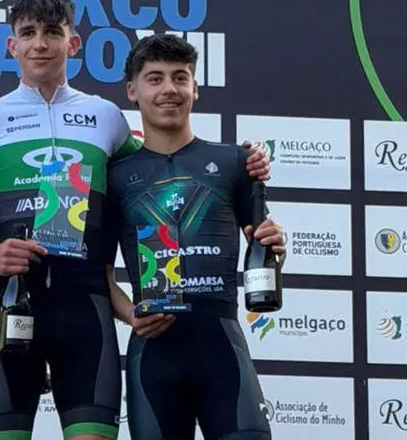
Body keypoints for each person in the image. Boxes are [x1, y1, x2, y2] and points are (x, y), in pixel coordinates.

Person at [0, 0, 273, 440]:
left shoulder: (106, 118)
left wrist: (245, 162)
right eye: (28, 33)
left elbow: (157, 175)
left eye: (52, 32)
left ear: (73, 43)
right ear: (12, 45)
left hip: (86, 314)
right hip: (9, 308)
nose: (40, 43)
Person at [104, 33, 288, 440]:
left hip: (222, 345)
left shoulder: (237, 163)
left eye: (180, 77)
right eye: (155, 79)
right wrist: (130, 314)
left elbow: (264, 250)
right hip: (153, 353)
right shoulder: (113, 176)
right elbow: (100, 275)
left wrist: (277, 245)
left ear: (195, 88)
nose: (169, 89)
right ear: (133, 91)